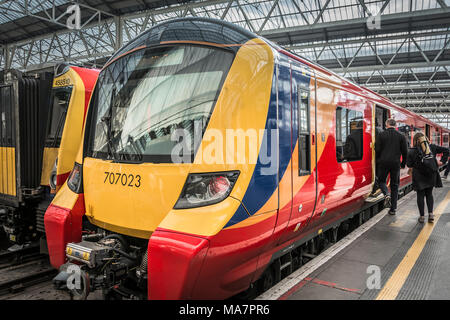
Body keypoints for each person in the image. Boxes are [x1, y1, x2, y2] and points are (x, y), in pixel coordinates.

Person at [407, 132, 449, 223]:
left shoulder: (412, 150)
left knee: (420, 195)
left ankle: (422, 216)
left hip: (418, 176)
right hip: (431, 175)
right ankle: (431, 215)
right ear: (425, 138)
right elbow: (446, 150)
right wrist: (442, 161)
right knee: (429, 194)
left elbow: (409, 164)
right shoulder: (432, 147)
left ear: (414, 140)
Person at [375, 118, 408, 215]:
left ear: (387, 125)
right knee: (395, 185)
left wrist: (378, 161)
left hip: (383, 163)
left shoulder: (381, 135)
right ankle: (393, 209)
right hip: (395, 163)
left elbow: (377, 149)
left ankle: (386, 194)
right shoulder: (401, 136)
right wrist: (403, 163)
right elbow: (405, 152)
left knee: (381, 181)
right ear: (395, 125)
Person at [367, 119, 384, 200]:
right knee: (378, 171)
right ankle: (377, 188)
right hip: (381, 156)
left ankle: (375, 188)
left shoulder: (374, 131)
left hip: (375, 154)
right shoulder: (382, 130)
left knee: (375, 172)